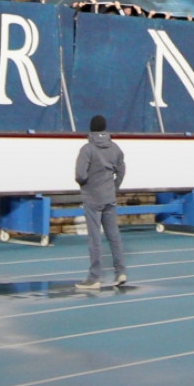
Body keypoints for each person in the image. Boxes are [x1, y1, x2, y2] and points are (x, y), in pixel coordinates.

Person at [75, 115, 127, 291]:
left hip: (92, 198)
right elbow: (121, 170)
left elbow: (80, 174)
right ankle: (120, 272)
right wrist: (114, 187)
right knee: (114, 236)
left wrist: (85, 185)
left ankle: (94, 277)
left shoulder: (87, 149)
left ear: (91, 130)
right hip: (109, 197)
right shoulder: (115, 148)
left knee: (95, 238)